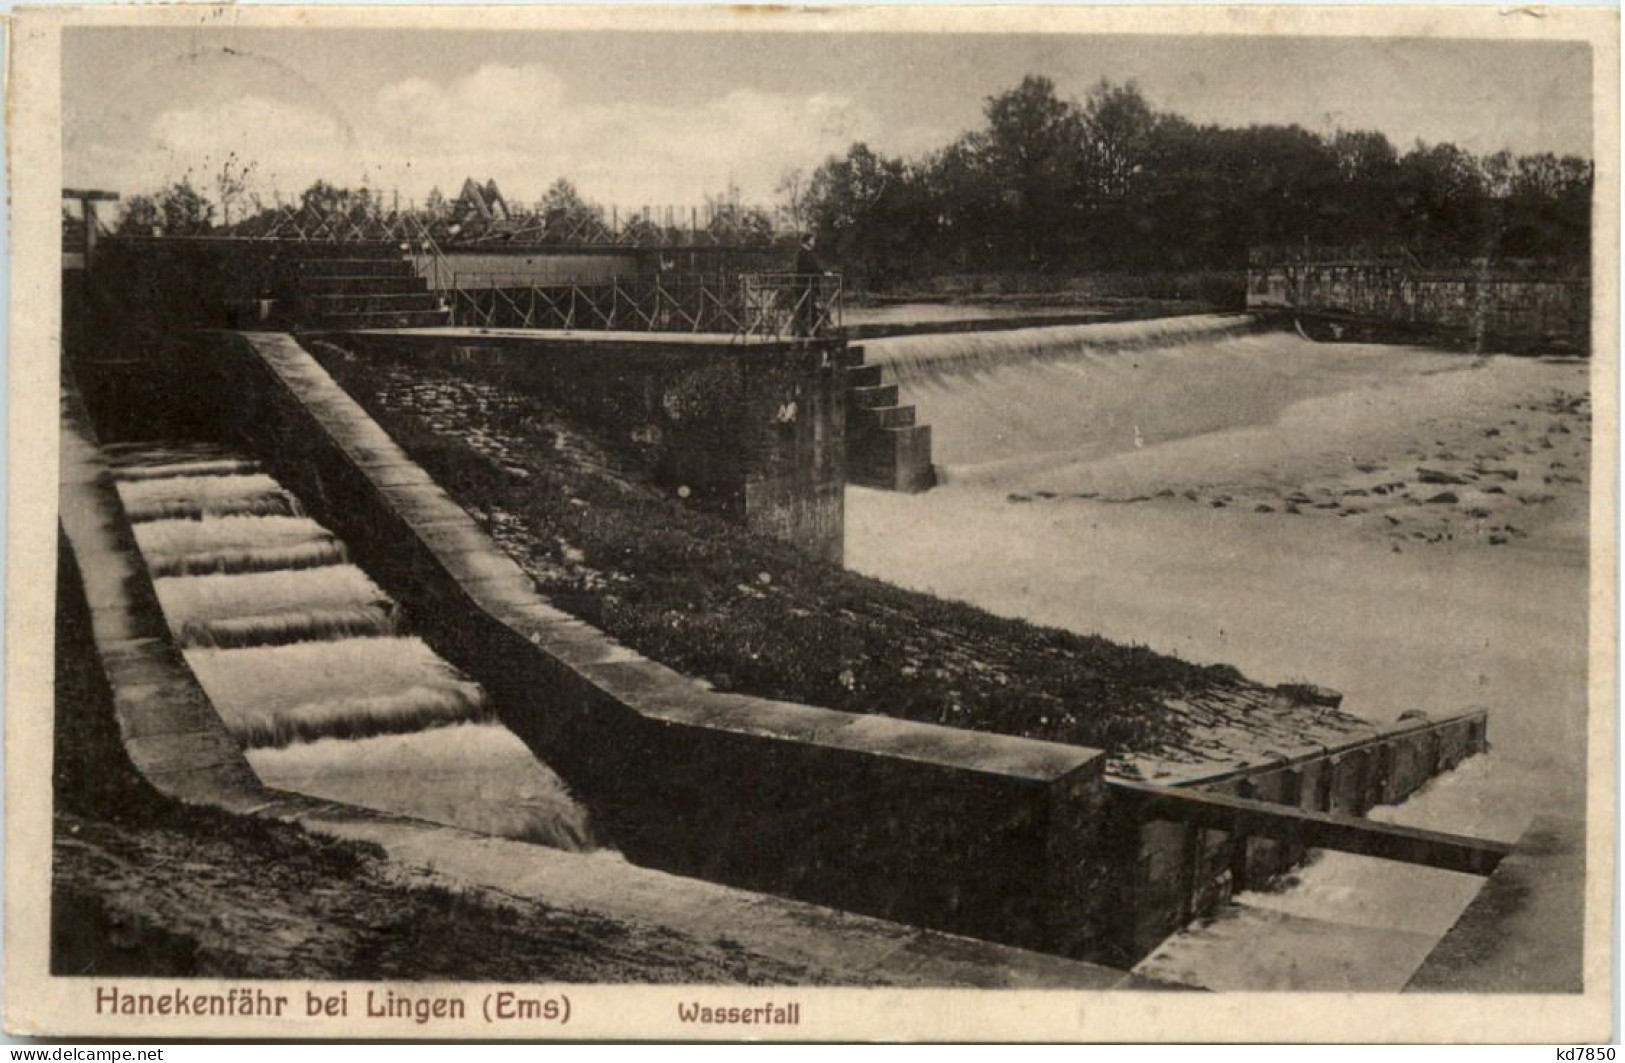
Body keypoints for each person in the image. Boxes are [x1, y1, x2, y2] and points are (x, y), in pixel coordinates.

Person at [790, 233, 825, 338]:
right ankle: (807, 331)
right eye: (812, 240)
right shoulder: (803, 253)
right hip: (806, 286)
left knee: (811, 309)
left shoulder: (807, 253)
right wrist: (821, 272)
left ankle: (812, 331)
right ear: (808, 241)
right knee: (806, 309)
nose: (814, 243)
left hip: (809, 286)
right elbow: (811, 267)